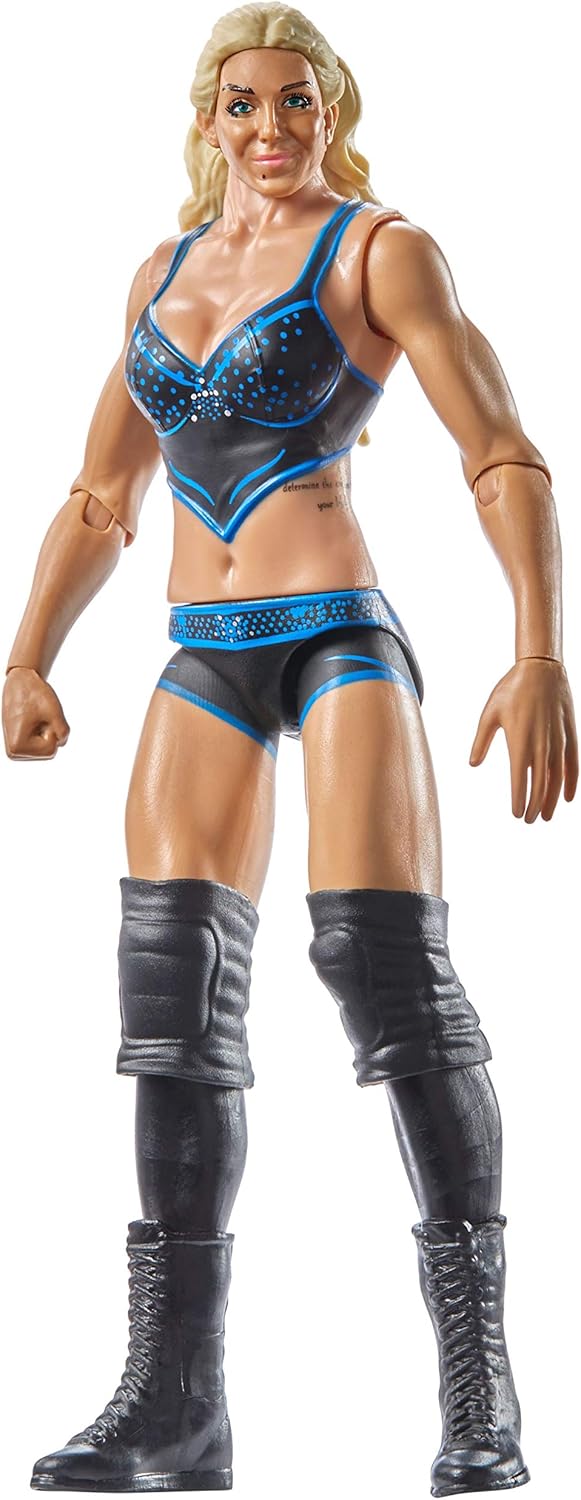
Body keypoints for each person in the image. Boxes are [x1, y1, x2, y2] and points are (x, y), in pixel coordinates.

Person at [3, 3, 578, 1494]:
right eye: (245, 104)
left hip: (336, 633)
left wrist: (535, 650)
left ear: (333, 110)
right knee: (167, 992)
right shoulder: (163, 271)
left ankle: (481, 1392)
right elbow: (101, 494)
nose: (271, 128)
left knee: (380, 965)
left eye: (297, 101)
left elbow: (499, 450)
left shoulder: (380, 251)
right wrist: (28, 651)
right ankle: (175, 1406)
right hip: (203, 648)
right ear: (208, 118)